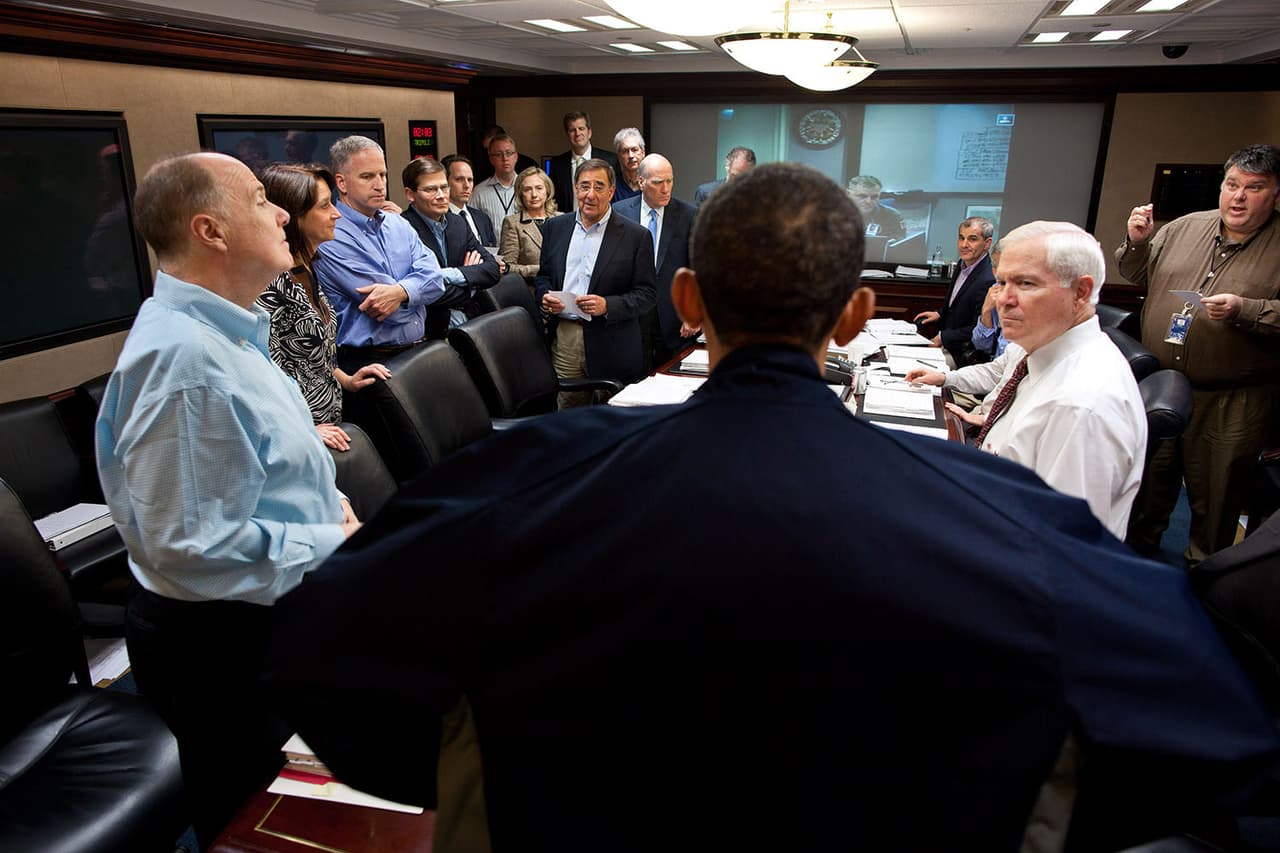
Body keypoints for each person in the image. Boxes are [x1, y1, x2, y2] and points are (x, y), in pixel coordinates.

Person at [266, 163, 1280, 853]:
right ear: (851, 316)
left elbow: (320, 651)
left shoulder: (520, 479)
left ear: (689, 302)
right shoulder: (1010, 520)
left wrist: (479, 764)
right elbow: (1221, 741)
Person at [96, 152, 360, 846]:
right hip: (223, 639)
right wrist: (333, 541)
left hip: (266, 612)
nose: (281, 211)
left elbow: (261, 465)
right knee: (260, 825)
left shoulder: (232, 329)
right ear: (211, 231)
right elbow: (189, 545)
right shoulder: (184, 361)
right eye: (258, 199)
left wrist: (327, 507)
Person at [1117, 143, 1280, 564]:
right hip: (1162, 387)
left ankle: (1204, 587)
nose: (1238, 197)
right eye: (1232, 184)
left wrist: (1247, 310)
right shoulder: (1186, 227)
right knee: (1147, 487)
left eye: (1254, 187)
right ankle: (1133, 570)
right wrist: (1137, 243)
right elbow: (1136, 273)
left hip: (1232, 398)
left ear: (1276, 194)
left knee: (1216, 497)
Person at [977, 221, 1147, 537]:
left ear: (1080, 292)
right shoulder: (1043, 358)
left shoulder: (1079, 404)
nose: (1004, 299)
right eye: (1001, 282)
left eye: (1026, 283)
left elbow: (1058, 547)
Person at [255, 164, 390, 451]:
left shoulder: (307, 266)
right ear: (293, 216)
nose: (336, 213)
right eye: (325, 205)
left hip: (330, 421)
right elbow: (266, 376)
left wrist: (347, 380)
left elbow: (312, 357)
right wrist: (304, 430)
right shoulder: (268, 283)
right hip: (298, 437)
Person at [312, 136, 459, 374]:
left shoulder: (397, 223)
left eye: (382, 174)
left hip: (418, 351)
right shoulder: (331, 234)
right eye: (367, 176)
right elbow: (386, 310)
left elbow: (436, 281)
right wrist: (415, 294)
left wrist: (401, 292)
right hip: (369, 363)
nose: (380, 185)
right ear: (341, 182)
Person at [536, 158, 655, 407]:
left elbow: (647, 294)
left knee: (611, 419)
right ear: (576, 188)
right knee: (569, 417)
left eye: (599, 187)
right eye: (584, 186)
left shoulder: (636, 236)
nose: (590, 194)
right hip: (567, 338)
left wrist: (607, 305)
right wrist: (546, 298)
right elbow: (544, 276)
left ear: (611, 191)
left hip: (613, 340)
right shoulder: (555, 227)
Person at [612, 152, 698, 370]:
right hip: (632, 316)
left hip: (673, 319)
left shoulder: (689, 215)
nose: (666, 188)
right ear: (641, 182)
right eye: (658, 182)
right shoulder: (619, 212)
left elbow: (698, 267)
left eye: (670, 181)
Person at [401, 156, 501, 338]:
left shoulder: (458, 223)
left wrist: (450, 274)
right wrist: (471, 285)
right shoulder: (402, 229)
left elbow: (492, 269)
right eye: (431, 189)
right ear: (410, 194)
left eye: (444, 187)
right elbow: (424, 291)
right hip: (430, 332)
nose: (441, 195)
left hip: (469, 323)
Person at [913, 217, 998, 367]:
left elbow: (978, 328)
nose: (964, 245)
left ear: (987, 243)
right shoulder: (962, 263)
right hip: (948, 344)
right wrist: (940, 313)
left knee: (915, 367)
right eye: (961, 238)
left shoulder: (987, 279)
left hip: (964, 354)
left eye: (972, 239)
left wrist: (942, 338)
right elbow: (958, 302)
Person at [547, 111, 621, 212]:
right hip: (569, 222)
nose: (577, 133)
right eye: (573, 130)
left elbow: (616, 195)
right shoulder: (557, 164)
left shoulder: (610, 160)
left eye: (581, 128)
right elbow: (553, 198)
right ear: (567, 134)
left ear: (589, 132)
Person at [499, 165, 556, 286]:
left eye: (539, 188)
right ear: (520, 194)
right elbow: (507, 267)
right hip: (531, 292)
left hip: (564, 290)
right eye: (527, 189)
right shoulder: (512, 223)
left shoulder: (562, 219)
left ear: (547, 190)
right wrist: (540, 269)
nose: (534, 194)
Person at [471, 132, 525, 234]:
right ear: (491, 159)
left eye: (509, 153)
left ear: (516, 157)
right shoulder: (478, 192)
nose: (505, 159)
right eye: (498, 154)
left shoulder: (528, 188)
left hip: (523, 249)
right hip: (491, 249)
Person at [442, 154, 498, 247]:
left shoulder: (482, 218)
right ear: (445, 182)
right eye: (459, 179)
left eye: (470, 180)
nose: (467, 185)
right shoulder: (439, 219)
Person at [846, 175, 906, 241]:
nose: (868, 201)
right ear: (848, 194)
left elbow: (897, 246)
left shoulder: (892, 216)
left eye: (874, 197)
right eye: (862, 196)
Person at [611, 127, 645, 202]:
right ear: (619, 156)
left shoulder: (651, 182)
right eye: (625, 151)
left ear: (643, 153)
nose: (630, 156)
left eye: (634, 150)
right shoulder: (612, 185)